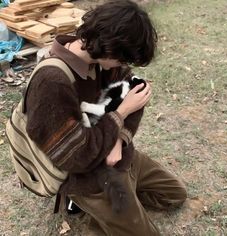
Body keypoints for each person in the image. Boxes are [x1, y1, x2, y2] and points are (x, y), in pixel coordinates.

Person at [25, 0, 187, 235]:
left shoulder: (105, 60)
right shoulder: (52, 82)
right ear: (110, 46)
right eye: (124, 59)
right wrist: (120, 114)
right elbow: (75, 156)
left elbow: (136, 94)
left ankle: (115, 207)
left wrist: (119, 141)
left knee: (175, 195)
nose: (125, 66)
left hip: (117, 155)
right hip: (88, 174)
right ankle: (92, 205)